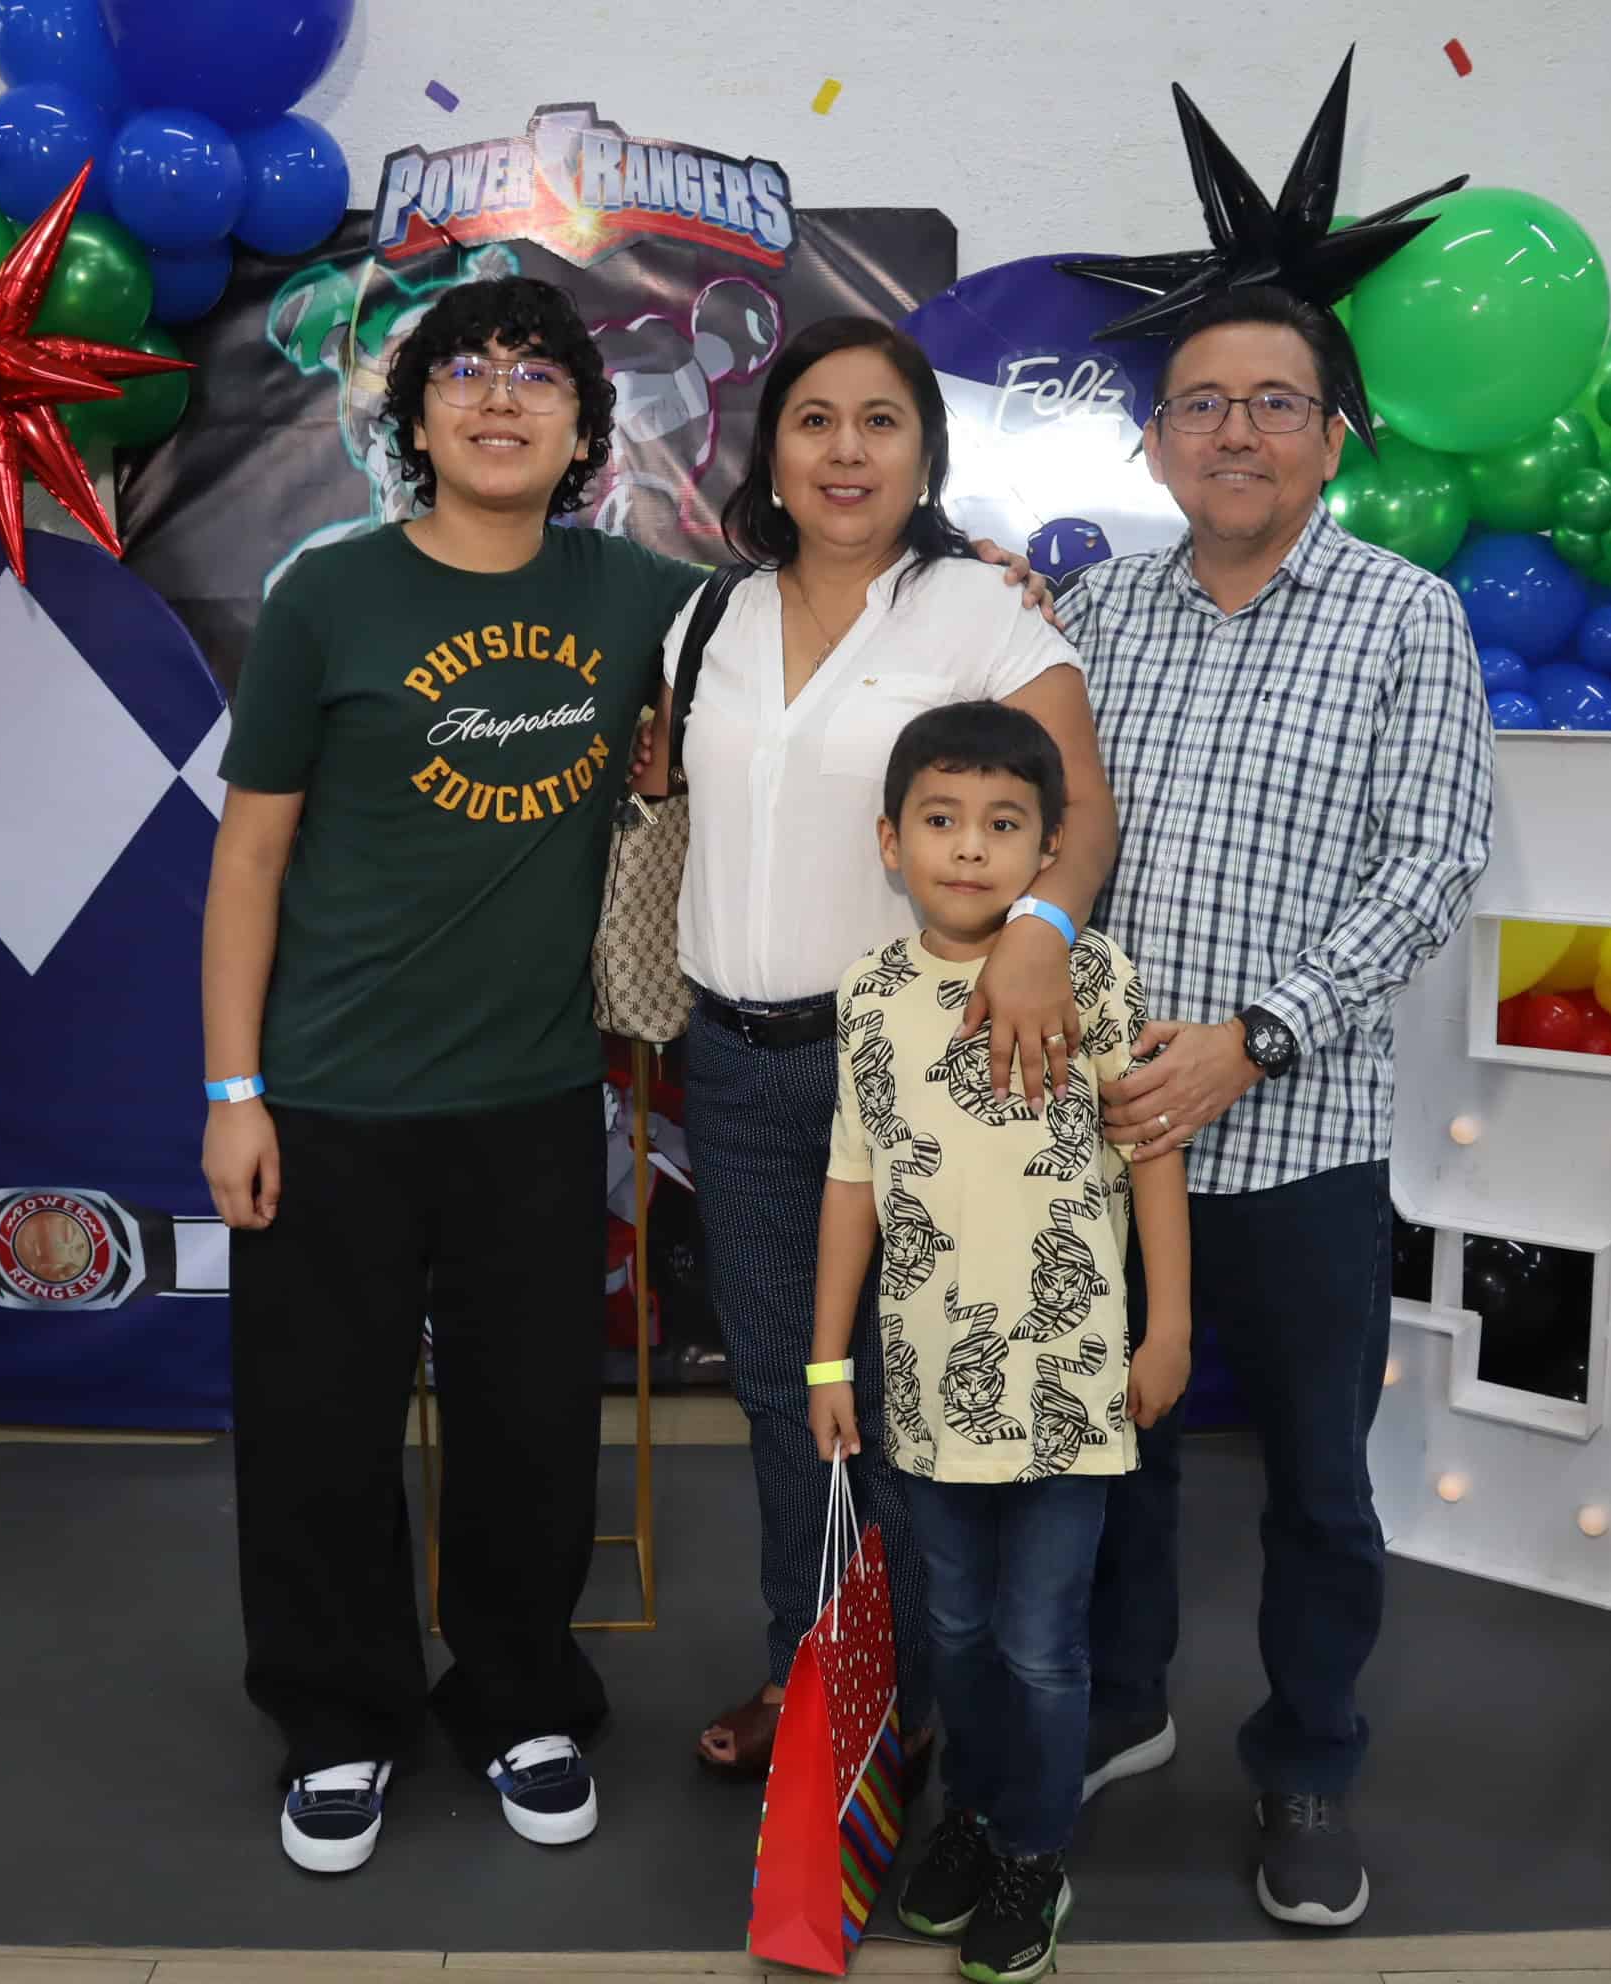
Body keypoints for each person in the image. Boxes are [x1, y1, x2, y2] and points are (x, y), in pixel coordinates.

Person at [202, 275, 710, 1875]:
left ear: (584, 428)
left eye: (539, 375)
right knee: (317, 1435)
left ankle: (519, 1699)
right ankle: (337, 1720)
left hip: (534, 1100)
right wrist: (232, 1093)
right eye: (467, 371)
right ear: (414, 418)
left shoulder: (646, 598)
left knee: (530, 1429)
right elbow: (249, 857)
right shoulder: (329, 597)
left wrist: (980, 576)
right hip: (327, 1098)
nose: (501, 397)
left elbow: (822, 623)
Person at [1061, 284, 1494, 1928]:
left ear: (1331, 436)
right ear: (1154, 438)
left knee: (1319, 1481)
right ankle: (1122, 1699)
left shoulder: (1405, 616)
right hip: (1112, 1133)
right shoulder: (1099, 615)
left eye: (1273, 402)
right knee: (1114, 1448)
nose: (1234, 431)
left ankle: (1308, 1760)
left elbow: (1433, 858)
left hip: (1302, 1137)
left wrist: (1256, 1037)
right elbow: (1050, 835)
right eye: (1201, 402)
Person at [645, 317, 1120, 1781]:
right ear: (771, 450)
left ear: (926, 453)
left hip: (926, 1064)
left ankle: (927, 1700)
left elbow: (1081, 815)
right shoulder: (707, 620)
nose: (845, 449)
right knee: (790, 1393)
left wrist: (1039, 933)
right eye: (814, 419)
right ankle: (816, 1681)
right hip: (736, 1062)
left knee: (924, 1392)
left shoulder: (980, 611)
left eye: (880, 420)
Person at [810, 700, 1190, 1984]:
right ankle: (970, 1817)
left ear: (1048, 847)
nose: (970, 846)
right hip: (928, 1390)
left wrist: (1170, 1326)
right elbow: (852, 1181)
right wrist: (826, 1359)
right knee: (960, 1631)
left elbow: (1152, 1157)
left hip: (1071, 1384)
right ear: (891, 840)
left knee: (1042, 1641)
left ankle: (1036, 1848)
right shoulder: (868, 996)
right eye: (941, 819)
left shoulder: (1095, 978)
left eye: (1003, 823)